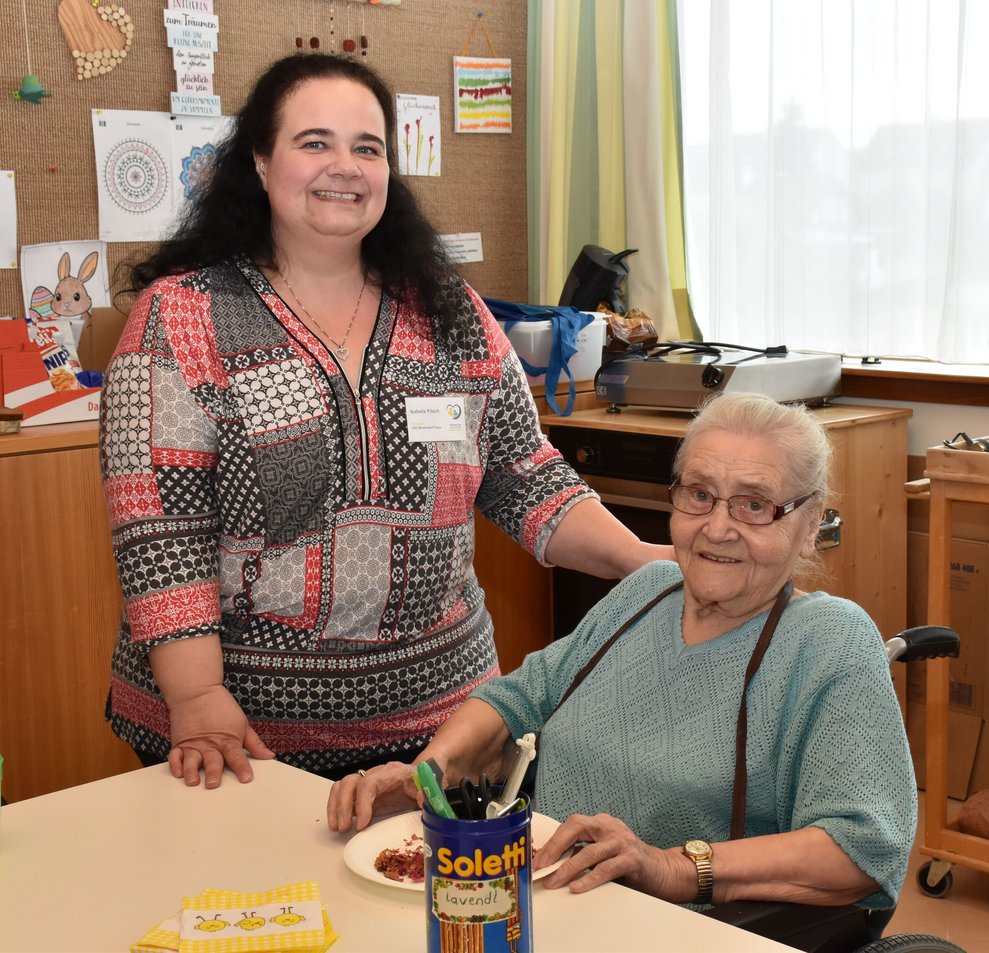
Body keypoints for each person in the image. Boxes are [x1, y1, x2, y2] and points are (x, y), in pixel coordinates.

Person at [98, 52, 670, 791]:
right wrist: (197, 697)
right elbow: (160, 536)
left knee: (453, 910)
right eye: (315, 143)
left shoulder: (449, 311)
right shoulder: (182, 316)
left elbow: (525, 475)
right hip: (238, 744)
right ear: (261, 164)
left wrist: (638, 558)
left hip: (441, 736)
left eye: (367, 147)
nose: (345, 166)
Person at [327, 392, 917, 912]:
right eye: (700, 494)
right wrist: (430, 773)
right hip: (542, 905)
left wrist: (670, 868)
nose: (717, 527)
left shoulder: (830, 641)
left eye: (754, 505)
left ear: (810, 524)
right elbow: (518, 700)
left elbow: (860, 848)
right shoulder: (647, 591)